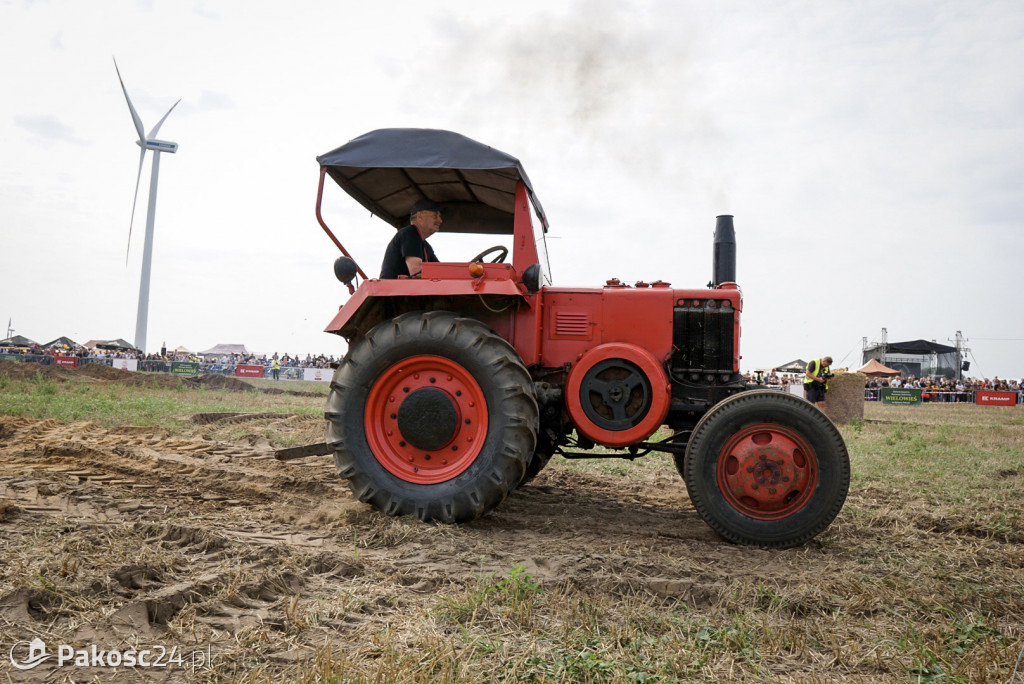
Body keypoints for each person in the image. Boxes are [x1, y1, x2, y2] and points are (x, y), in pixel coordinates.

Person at [380, 199, 442, 279]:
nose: (440, 220)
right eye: (435, 216)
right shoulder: (410, 233)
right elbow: (416, 272)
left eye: (439, 217)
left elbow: (441, 271)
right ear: (420, 216)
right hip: (391, 290)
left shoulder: (426, 246)